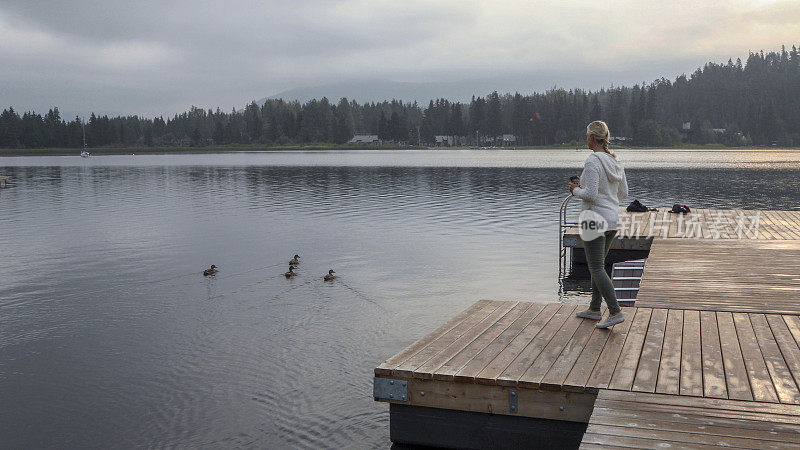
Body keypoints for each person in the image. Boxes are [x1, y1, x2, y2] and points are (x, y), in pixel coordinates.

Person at [569, 120, 629, 329]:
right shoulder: (615, 161)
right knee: (599, 266)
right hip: (612, 219)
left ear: (593, 138)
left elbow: (591, 195)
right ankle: (594, 309)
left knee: (595, 266)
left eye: (587, 136)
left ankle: (615, 311)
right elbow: (623, 193)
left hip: (594, 219)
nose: (586, 139)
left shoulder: (593, 161)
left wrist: (575, 190)